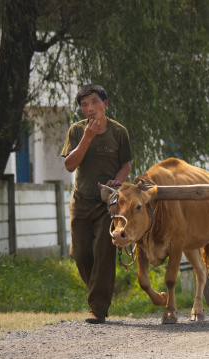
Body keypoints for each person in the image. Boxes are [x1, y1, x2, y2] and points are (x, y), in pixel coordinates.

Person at [61, 84, 132, 324]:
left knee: (104, 253)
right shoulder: (76, 130)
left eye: (94, 102)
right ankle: (100, 291)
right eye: (84, 105)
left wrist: (119, 181)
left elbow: (126, 165)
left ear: (105, 104)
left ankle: (97, 309)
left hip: (108, 204)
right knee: (80, 254)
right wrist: (87, 139)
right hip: (81, 201)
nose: (90, 109)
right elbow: (70, 165)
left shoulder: (119, 132)